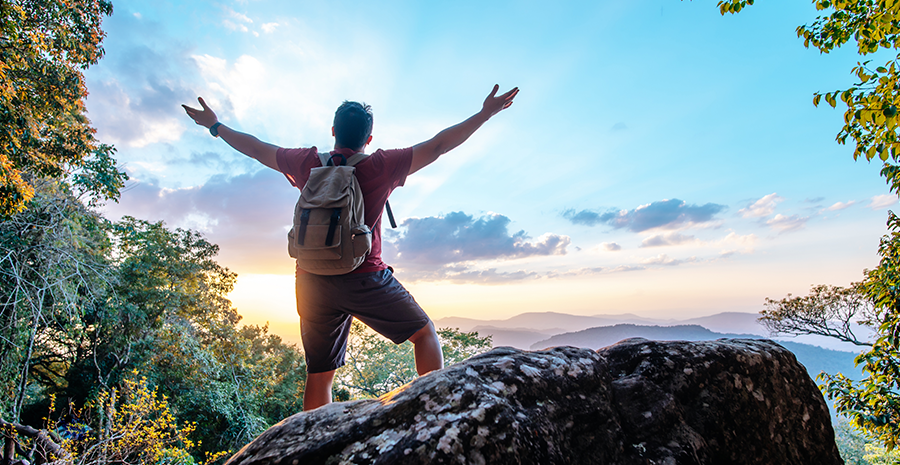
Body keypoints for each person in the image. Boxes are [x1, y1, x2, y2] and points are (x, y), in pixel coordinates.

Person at [182, 84, 519, 411]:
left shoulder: (307, 162)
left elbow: (256, 148)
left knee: (319, 376)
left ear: (333, 131)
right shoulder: (381, 165)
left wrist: (215, 125)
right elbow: (438, 146)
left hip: (311, 281)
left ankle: (310, 443)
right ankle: (435, 414)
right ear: (368, 139)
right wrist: (485, 114)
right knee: (425, 334)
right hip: (366, 277)